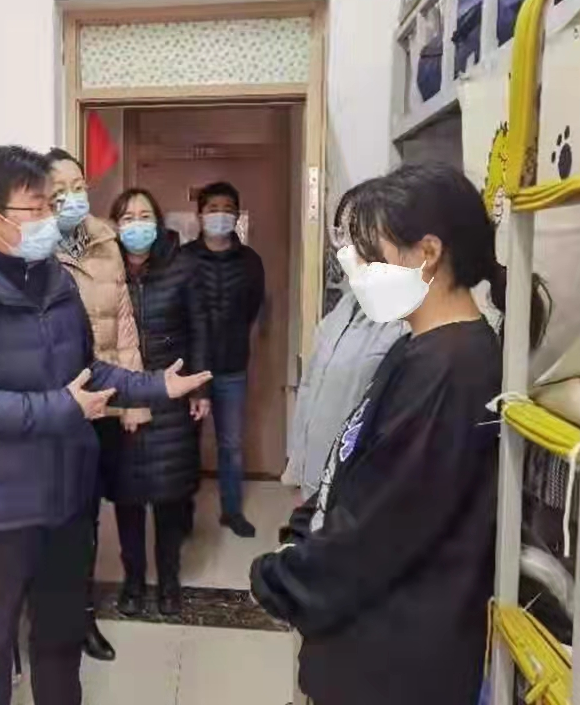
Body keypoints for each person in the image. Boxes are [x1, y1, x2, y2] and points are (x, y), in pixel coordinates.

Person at [0, 146, 211, 705]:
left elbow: (87, 371)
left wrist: (155, 386)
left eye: (53, 205)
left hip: (66, 499)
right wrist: (60, 408)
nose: (53, 219)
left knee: (59, 638)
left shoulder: (52, 278)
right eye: (38, 209)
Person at [250, 163, 550, 705]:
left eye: (369, 255)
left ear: (427, 252)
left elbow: (380, 527)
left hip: (394, 657)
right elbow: (354, 460)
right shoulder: (420, 347)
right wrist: (303, 532)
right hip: (370, 636)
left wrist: (281, 579)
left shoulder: (453, 371)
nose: (356, 271)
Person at [45, 147, 149, 662]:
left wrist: (136, 398)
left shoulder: (107, 241)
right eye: (59, 191)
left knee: (106, 509)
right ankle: (72, 616)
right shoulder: (37, 249)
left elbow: (125, 325)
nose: (72, 197)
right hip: (65, 403)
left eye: (78, 186)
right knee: (72, 518)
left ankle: (90, 609)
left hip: (110, 395)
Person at [108, 188, 208, 617]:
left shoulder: (182, 266)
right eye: (127, 217)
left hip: (172, 393)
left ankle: (169, 581)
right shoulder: (106, 269)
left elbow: (200, 328)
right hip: (123, 395)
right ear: (115, 226)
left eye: (144, 215)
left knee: (169, 497)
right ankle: (133, 581)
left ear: (158, 221)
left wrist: (199, 389)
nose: (137, 224)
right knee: (128, 498)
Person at [282, 186, 407, 500]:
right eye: (343, 235)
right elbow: (310, 388)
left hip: (358, 496)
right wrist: (296, 466)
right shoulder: (343, 309)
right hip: (316, 481)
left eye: (360, 235)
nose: (349, 248)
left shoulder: (404, 321)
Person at [183, 181, 265, 538]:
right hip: (190, 371)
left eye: (227, 209)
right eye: (212, 208)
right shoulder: (184, 258)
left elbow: (252, 309)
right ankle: (181, 517)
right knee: (185, 445)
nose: (220, 215)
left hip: (232, 368)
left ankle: (231, 512)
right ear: (200, 214)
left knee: (230, 445)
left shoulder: (250, 261)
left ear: (237, 215)